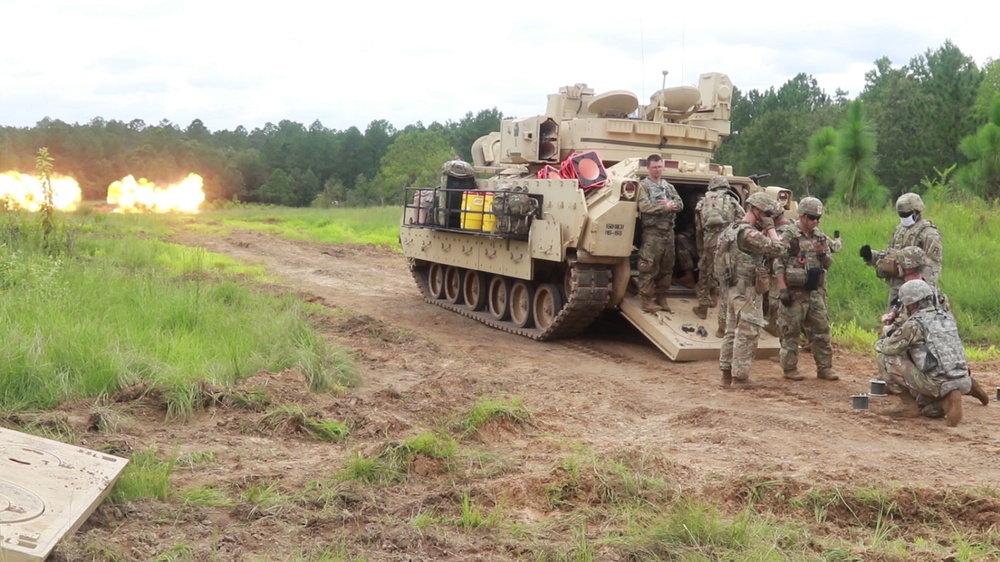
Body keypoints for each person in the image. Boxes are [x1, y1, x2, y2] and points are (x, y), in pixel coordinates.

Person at [874, 279, 971, 427]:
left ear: (911, 303)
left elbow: (888, 348)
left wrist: (887, 334)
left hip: (936, 382)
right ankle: (944, 402)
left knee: (885, 358)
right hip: (962, 378)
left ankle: (907, 405)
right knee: (926, 410)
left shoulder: (915, 323)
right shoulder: (947, 317)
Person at [716, 192, 786, 387]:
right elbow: (779, 249)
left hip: (732, 286)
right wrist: (770, 228)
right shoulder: (749, 233)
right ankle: (740, 376)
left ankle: (726, 374)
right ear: (756, 210)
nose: (768, 217)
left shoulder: (732, 228)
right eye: (766, 213)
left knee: (731, 330)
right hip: (747, 289)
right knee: (748, 331)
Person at [773, 197, 839, 381]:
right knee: (790, 331)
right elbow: (778, 262)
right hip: (794, 291)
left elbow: (828, 263)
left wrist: (822, 252)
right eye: (811, 217)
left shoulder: (819, 236)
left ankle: (825, 368)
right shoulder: (789, 235)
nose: (815, 221)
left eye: (818, 218)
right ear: (801, 216)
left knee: (821, 329)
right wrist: (783, 288)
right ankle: (789, 368)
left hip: (815, 291)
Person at [861, 192, 943, 308]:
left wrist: (922, 290)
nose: (904, 218)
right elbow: (892, 254)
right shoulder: (900, 230)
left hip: (916, 291)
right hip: (896, 288)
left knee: (912, 323)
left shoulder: (929, 233)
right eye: (901, 215)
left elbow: (933, 264)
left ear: (916, 211)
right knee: (892, 322)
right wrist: (872, 256)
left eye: (907, 214)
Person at [636, 154, 683, 313]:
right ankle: (647, 300)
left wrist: (672, 205)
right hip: (653, 232)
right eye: (654, 167)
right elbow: (645, 208)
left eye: (660, 166)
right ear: (648, 168)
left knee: (667, 266)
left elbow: (680, 204)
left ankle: (661, 297)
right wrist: (666, 208)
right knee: (648, 266)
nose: (657, 169)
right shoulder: (644, 186)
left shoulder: (668, 186)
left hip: (668, 231)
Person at [693, 176, 742, 319]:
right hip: (728, 241)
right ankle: (725, 313)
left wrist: (701, 247)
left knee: (705, 272)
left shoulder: (703, 202)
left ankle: (703, 308)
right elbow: (742, 221)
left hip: (710, 241)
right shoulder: (733, 201)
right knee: (726, 274)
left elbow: (699, 227)